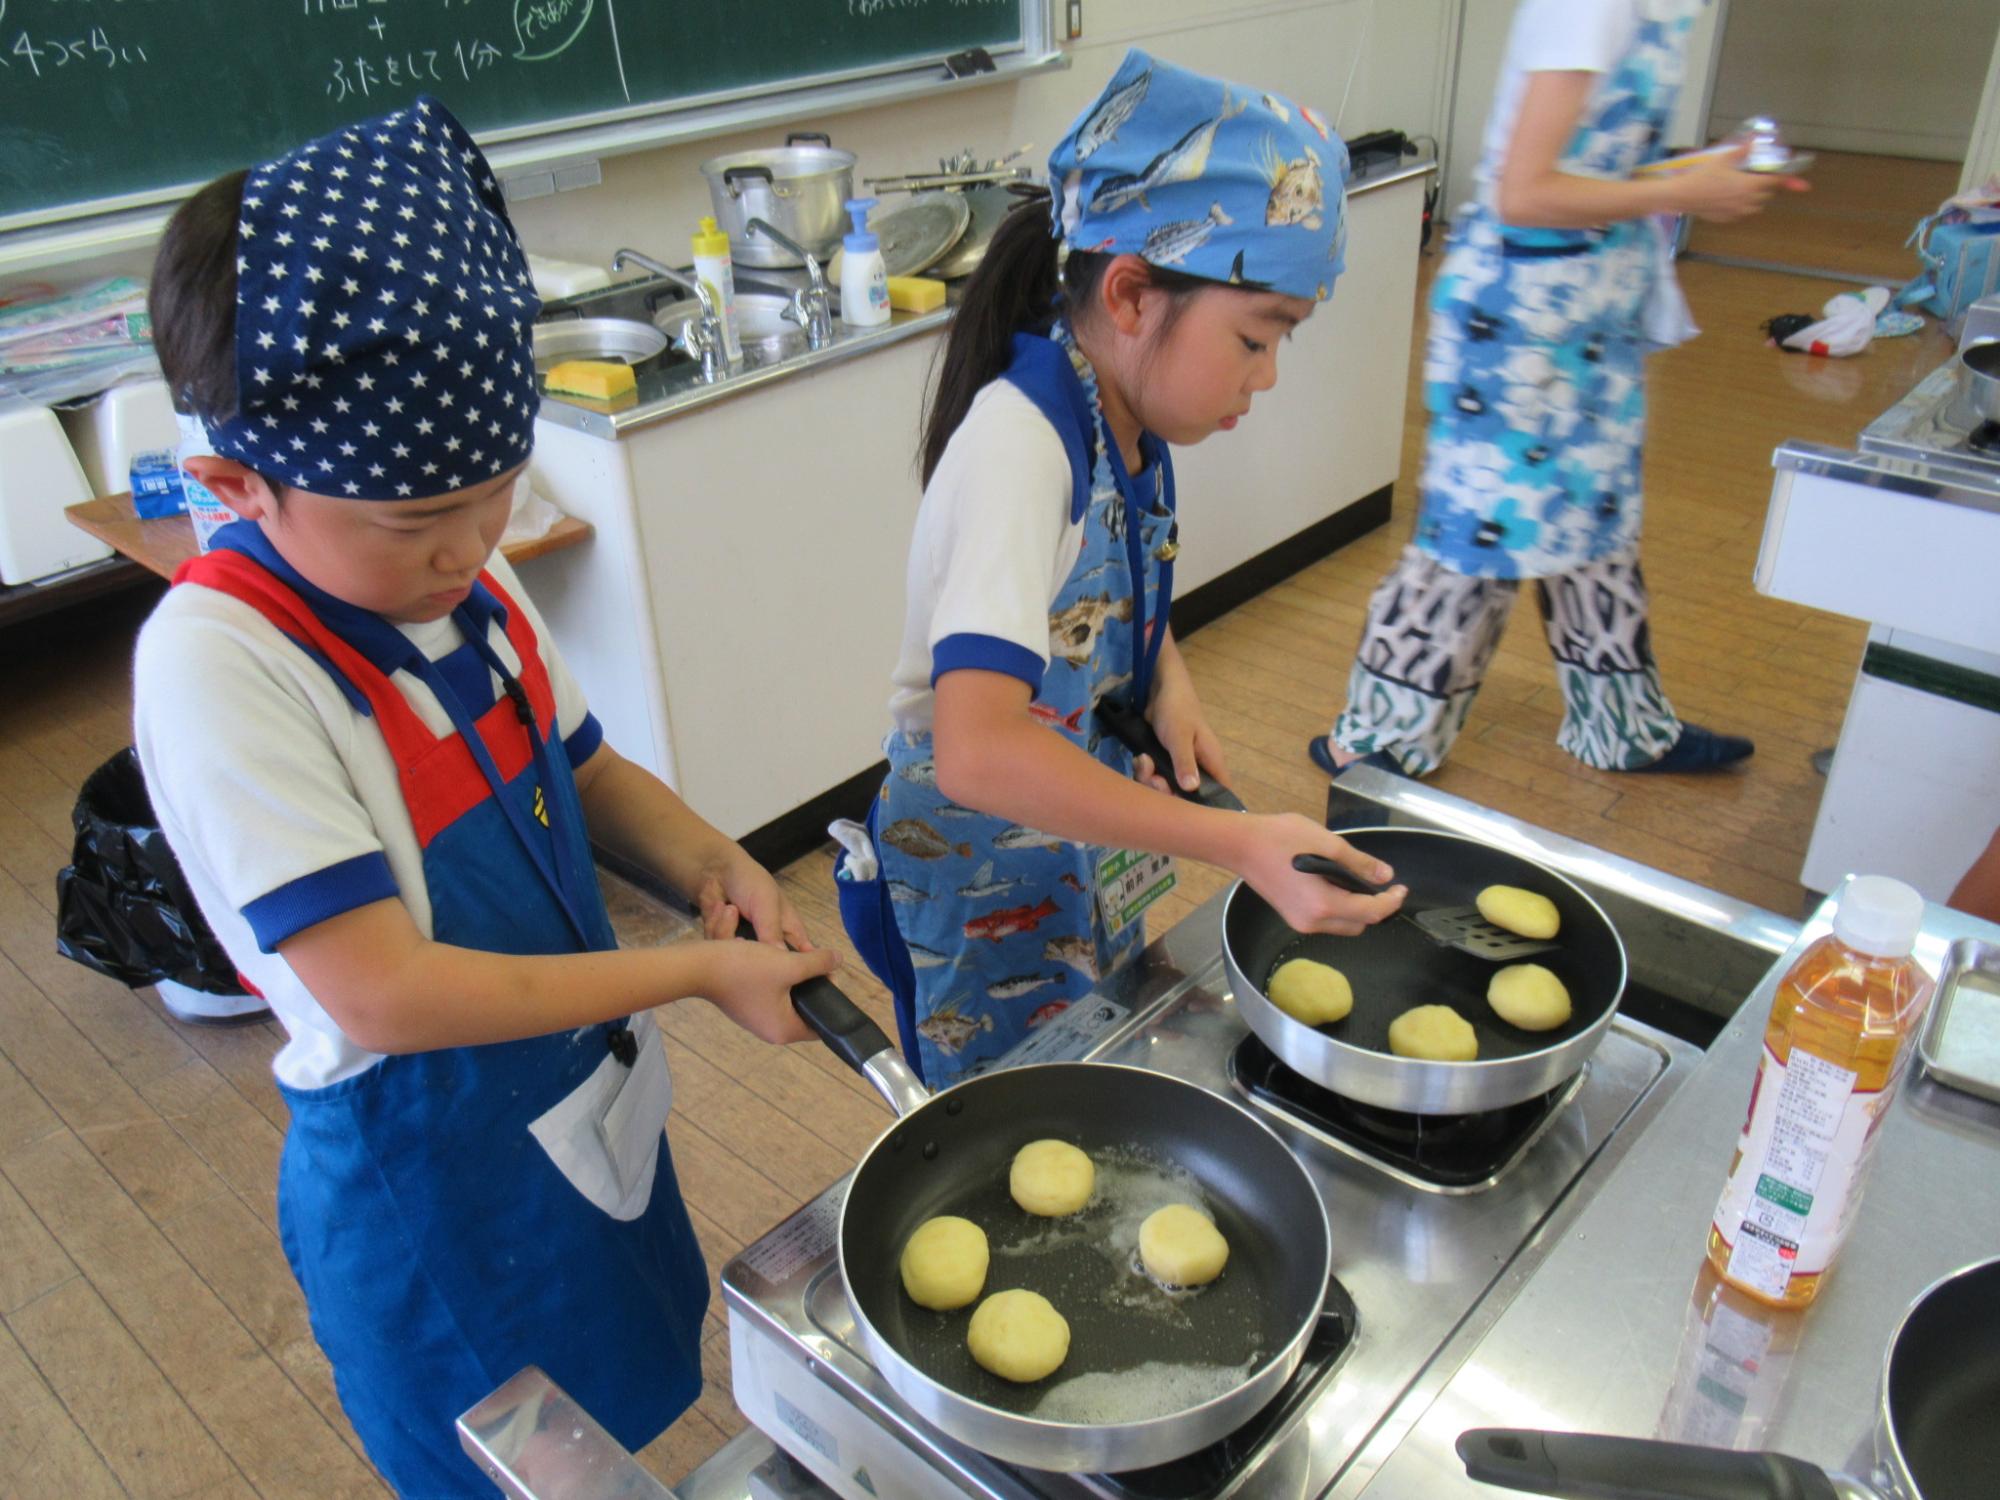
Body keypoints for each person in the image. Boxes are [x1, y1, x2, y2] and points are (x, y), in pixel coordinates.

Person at [134, 98, 837, 1495]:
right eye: (413, 525)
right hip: (428, 1192)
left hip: (573, 1106)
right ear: (236, 484)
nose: (470, 550)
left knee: (609, 1407)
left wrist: (708, 860)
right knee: (504, 1461)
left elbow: (588, 775)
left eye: (498, 497)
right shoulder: (221, 669)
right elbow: (382, 994)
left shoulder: (469, 580)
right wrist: (687, 972)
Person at [834, 52, 1406, 1087]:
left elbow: (1095, 593)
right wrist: (1228, 843)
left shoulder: (1123, 415)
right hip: (976, 875)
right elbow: (973, 752)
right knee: (1008, 1115)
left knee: (1085, 1058)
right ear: (1133, 293)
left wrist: (1164, 677)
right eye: (1254, 338)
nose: (1267, 377)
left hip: (1077, 832)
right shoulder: (1021, 445)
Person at [1314, 0, 1806, 781]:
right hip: (1518, 322)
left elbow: (1594, 164)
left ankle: (1622, 725)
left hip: (1583, 310)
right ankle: (1375, 739)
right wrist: (1685, 192)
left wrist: (1696, 169)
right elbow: (1527, 191)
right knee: (1477, 539)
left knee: (1598, 522)